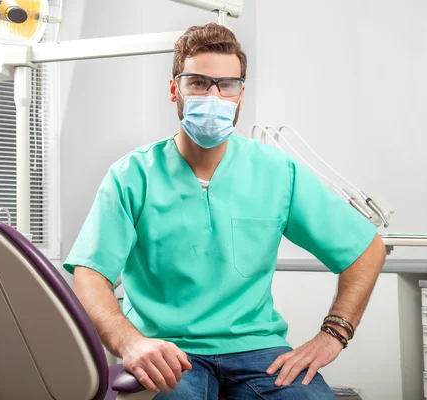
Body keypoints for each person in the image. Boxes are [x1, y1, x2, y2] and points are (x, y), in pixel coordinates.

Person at [63, 23, 386, 399]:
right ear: (175, 89)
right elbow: (90, 273)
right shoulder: (132, 175)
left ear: (240, 94)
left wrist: (334, 333)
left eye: (226, 85)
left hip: (259, 352)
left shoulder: (276, 171)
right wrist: (131, 343)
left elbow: (366, 249)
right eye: (198, 83)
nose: (213, 95)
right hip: (168, 350)